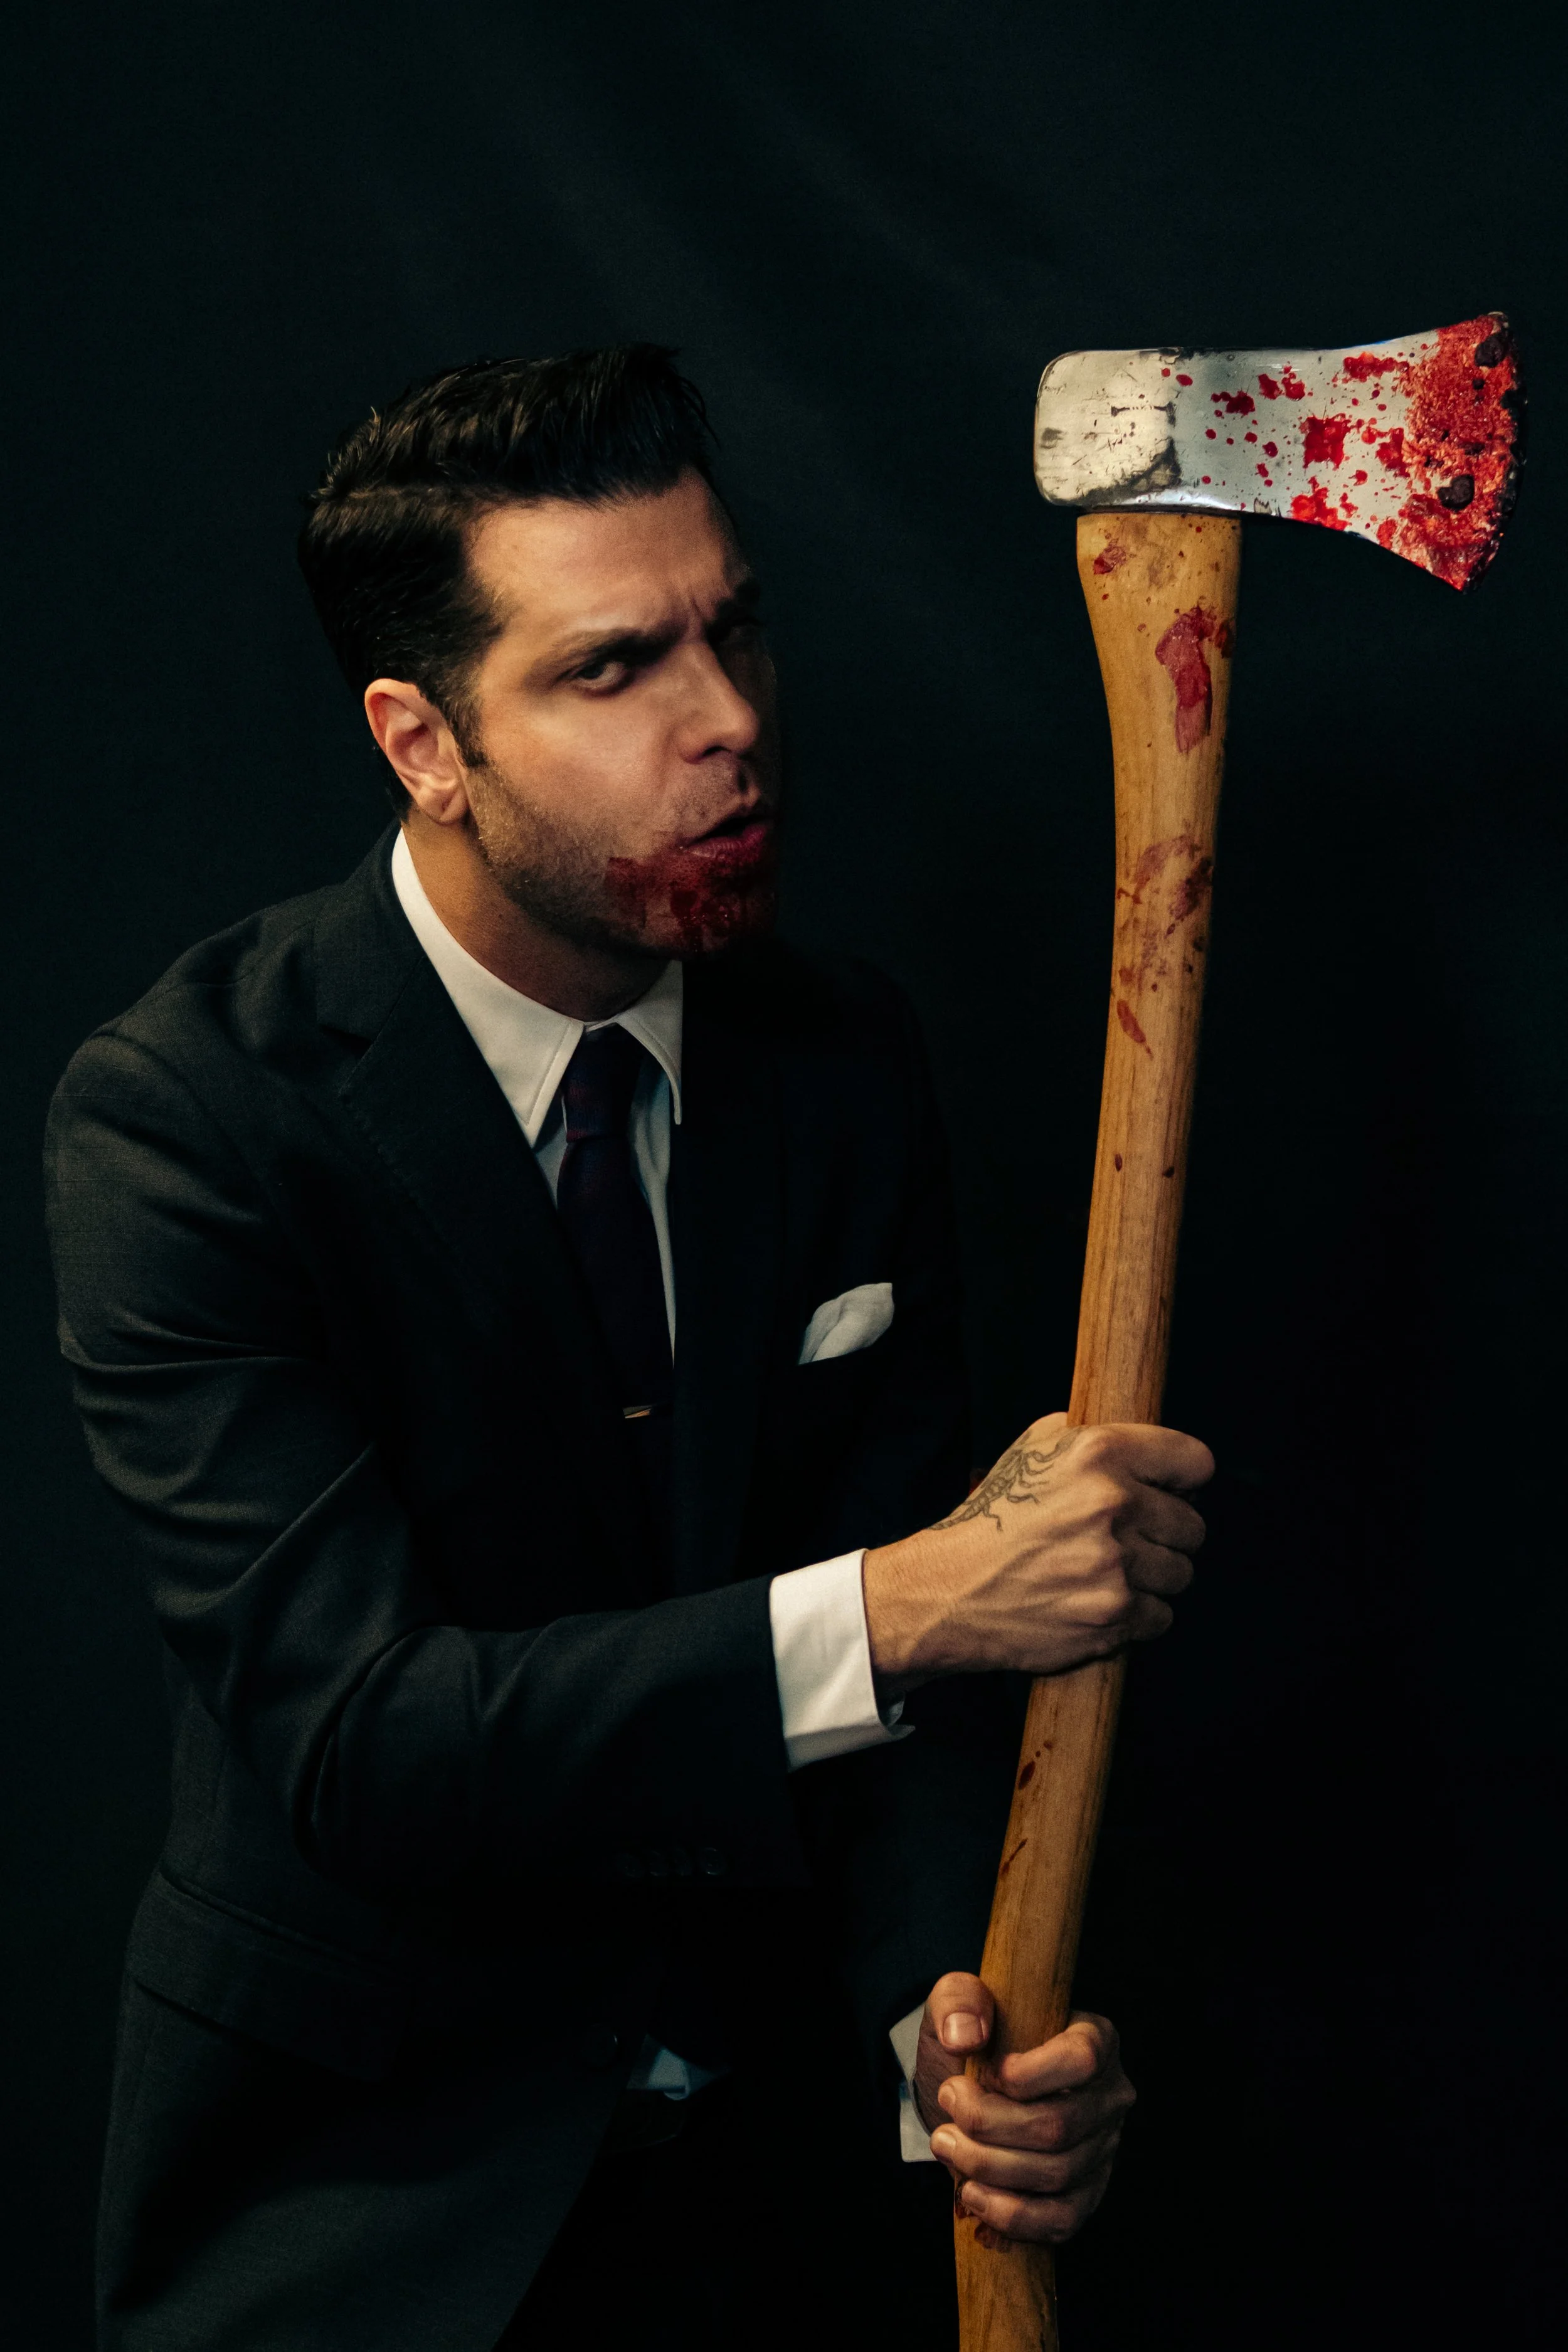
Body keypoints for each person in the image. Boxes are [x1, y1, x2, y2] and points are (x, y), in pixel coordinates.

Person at [45, 346, 1212, 2351]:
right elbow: (368, 1741)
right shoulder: (189, 1117)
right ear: (424, 740)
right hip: (363, 2218)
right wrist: (909, 1600)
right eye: (613, 671)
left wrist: (953, 2039)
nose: (730, 722)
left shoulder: (836, 1066)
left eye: (730, 627)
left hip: (784, 2203)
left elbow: (915, 1735)